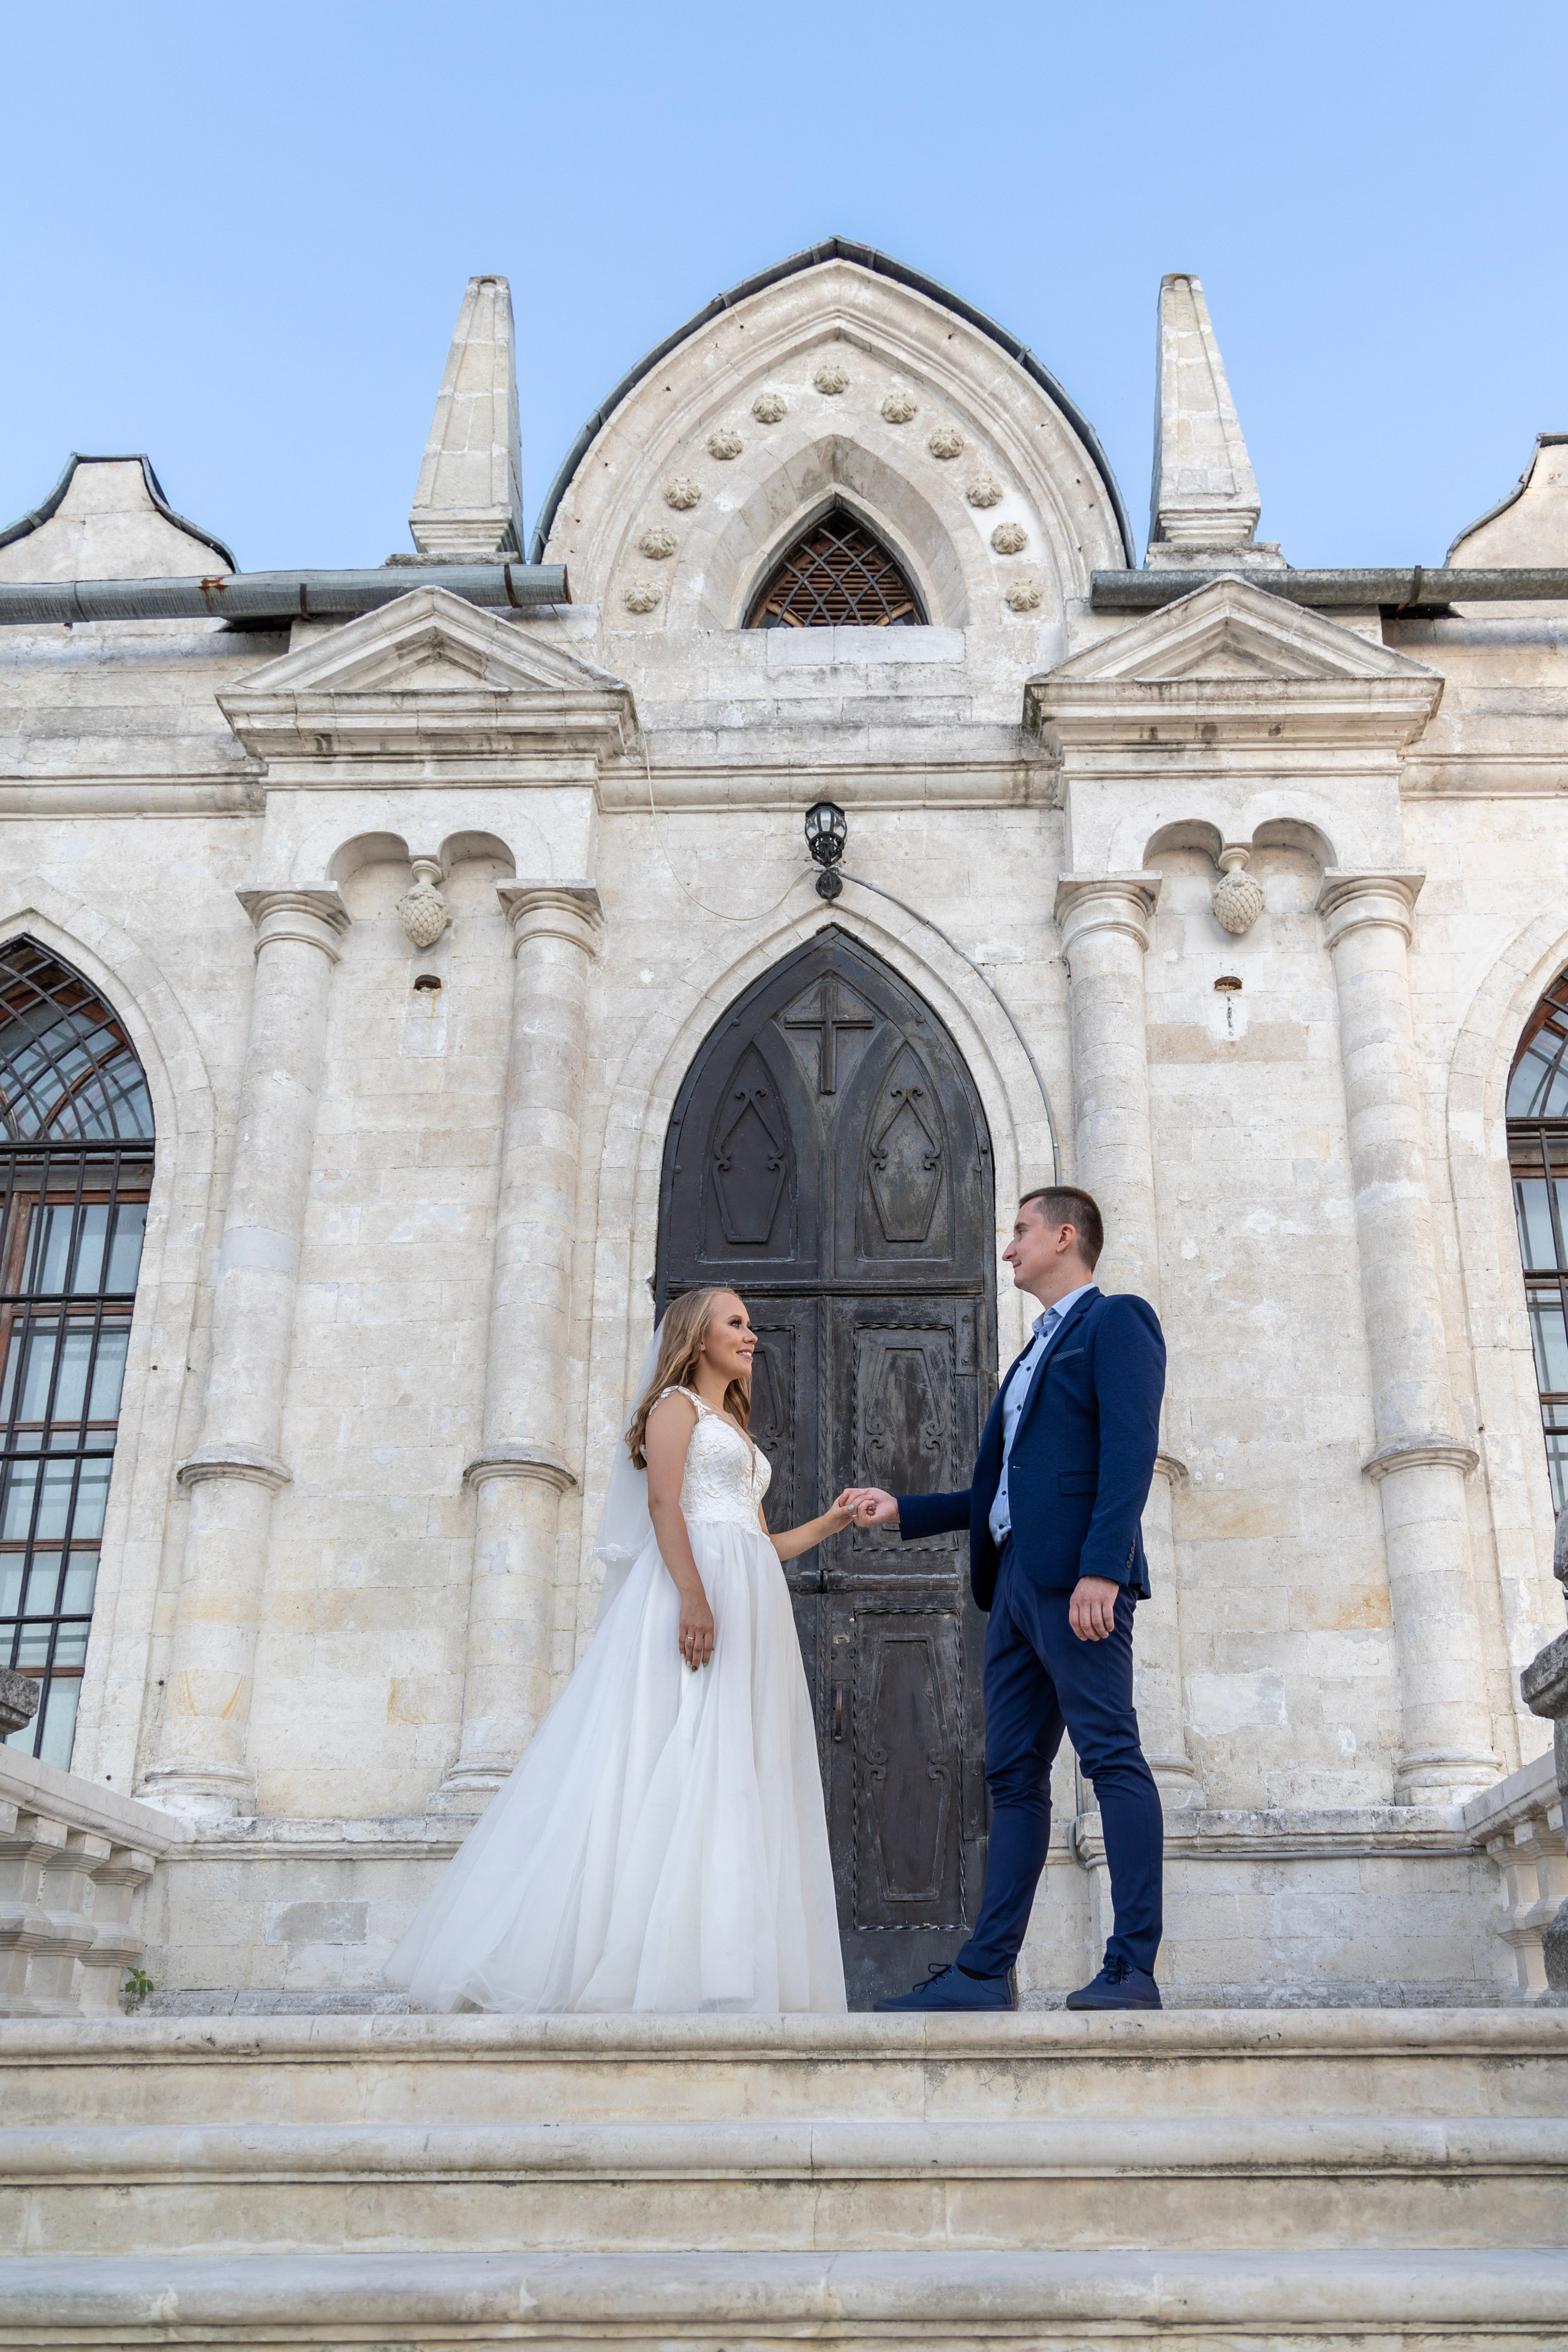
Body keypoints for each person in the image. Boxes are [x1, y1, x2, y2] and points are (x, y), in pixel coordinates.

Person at [385, 1286, 849, 2015]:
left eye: (749, 1325)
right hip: (694, 1592)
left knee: (731, 1760)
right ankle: (638, 1964)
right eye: (736, 1323)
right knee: (682, 1747)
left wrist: (829, 1523)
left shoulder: (731, 1423)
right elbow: (666, 1505)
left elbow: (759, 1542)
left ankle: (719, 1961)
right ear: (697, 1338)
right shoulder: (675, 1410)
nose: (751, 1335)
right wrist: (694, 1597)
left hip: (750, 1597)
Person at [840, 1185, 1167, 2012]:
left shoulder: (1117, 1321)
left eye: (1020, 1231)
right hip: (1016, 1579)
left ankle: (1131, 1968)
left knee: (1111, 1756)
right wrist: (905, 1512)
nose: (1009, 1247)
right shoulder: (1029, 1356)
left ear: (1065, 1236)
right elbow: (1002, 1488)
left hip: (1076, 1583)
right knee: (1013, 1775)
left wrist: (1103, 1566)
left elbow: (1130, 1454)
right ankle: (985, 1976)